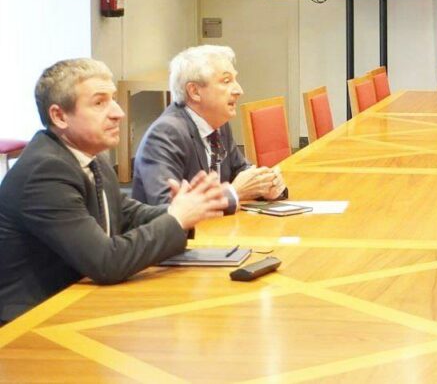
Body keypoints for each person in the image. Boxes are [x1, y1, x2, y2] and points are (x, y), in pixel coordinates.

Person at [0, 59, 228, 324]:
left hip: (76, 302)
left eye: (114, 100)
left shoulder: (91, 158)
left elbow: (127, 215)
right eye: (100, 103)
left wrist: (182, 209)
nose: (118, 113)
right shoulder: (45, 172)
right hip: (30, 323)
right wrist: (176, 219)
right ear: (59, 116)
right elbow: (106, 262)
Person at [132, 45, 286, 210]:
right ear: (194, 92)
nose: (239, 90)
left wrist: (266, 184)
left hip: (215, 224)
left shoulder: (218, 122)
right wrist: (234, 192)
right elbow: (170, 209)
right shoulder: (165, 134)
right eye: (226, 81)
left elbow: (240, 170)